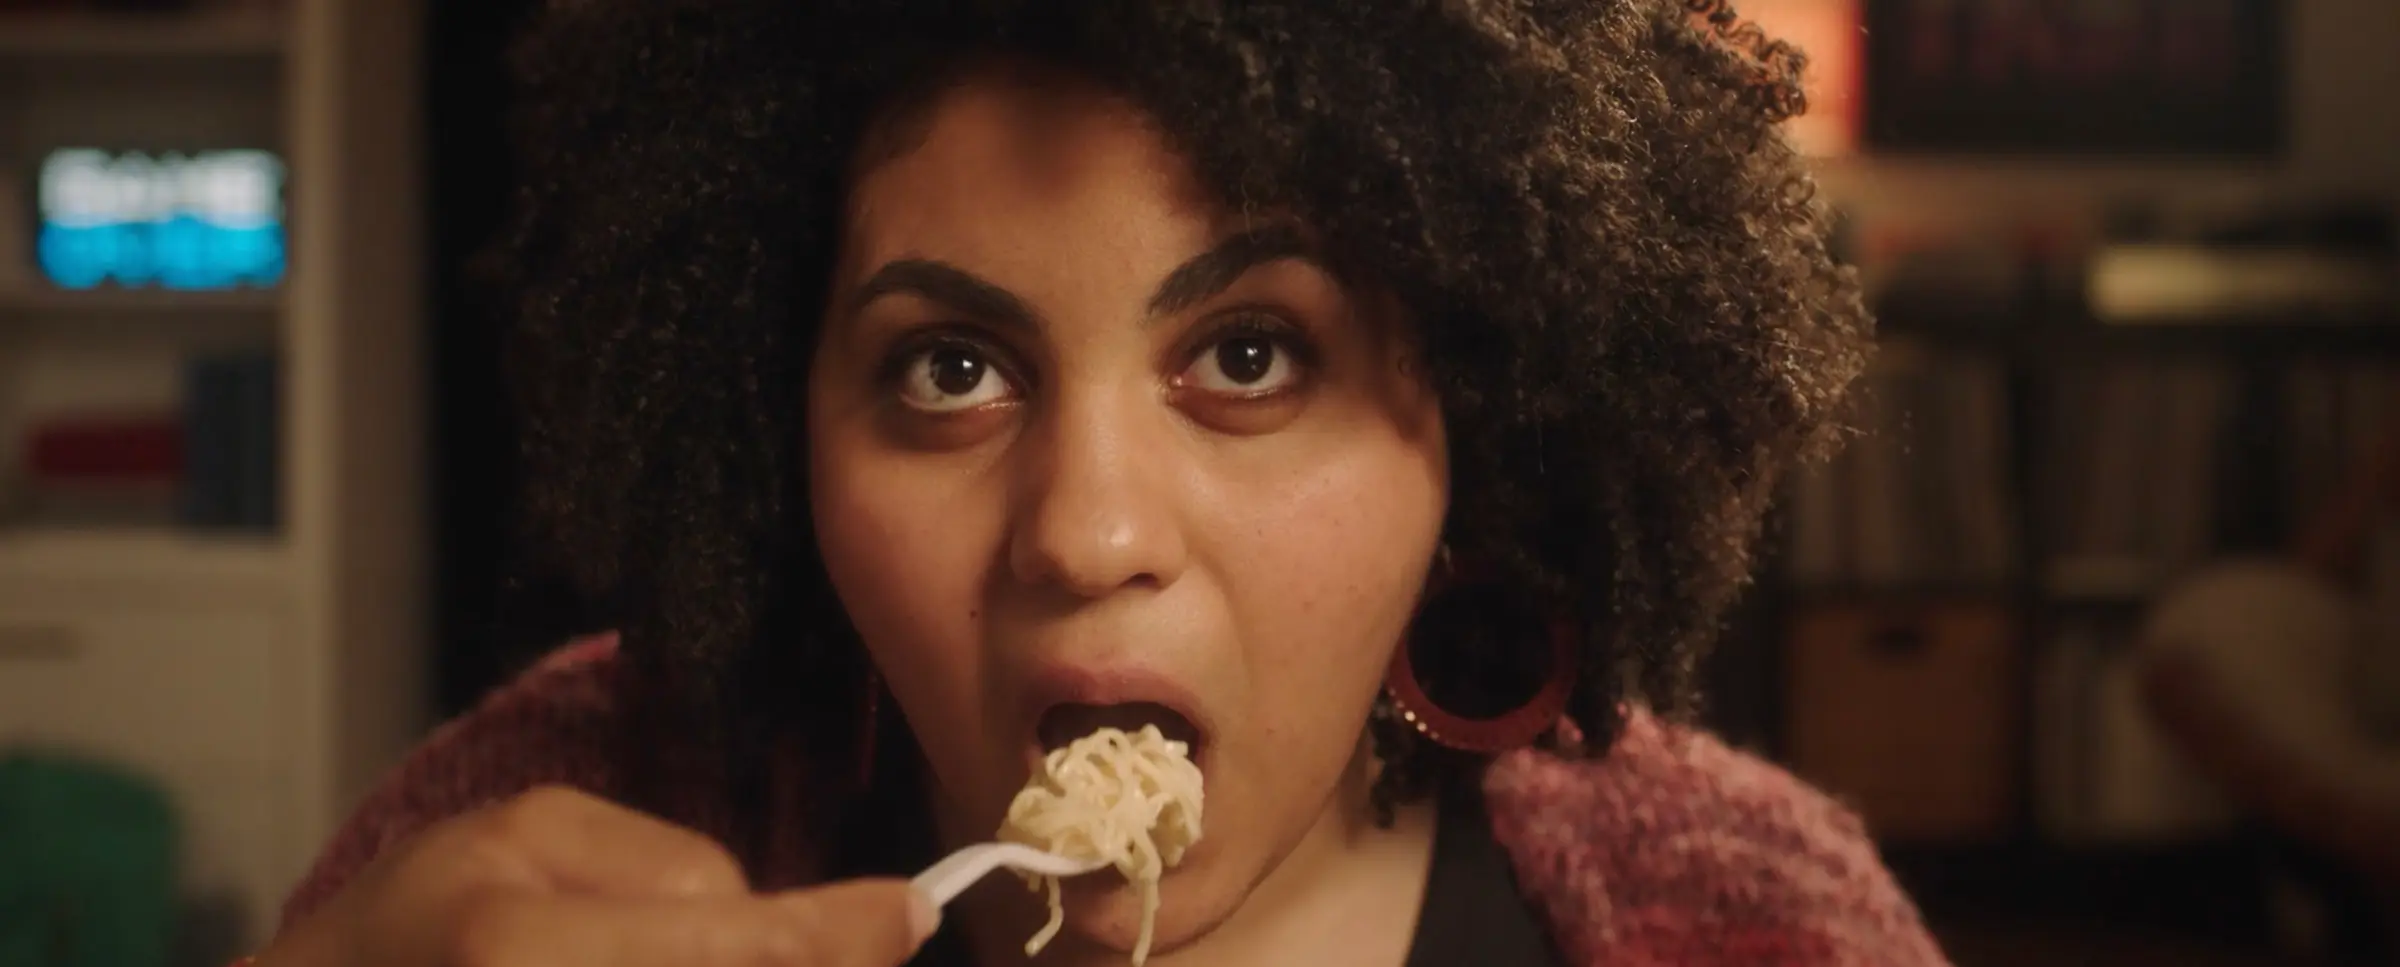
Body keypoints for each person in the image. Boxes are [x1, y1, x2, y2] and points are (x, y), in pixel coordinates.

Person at [252, 1, 1946, 965]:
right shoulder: (558, 828)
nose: (1087, 530)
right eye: (952, 369)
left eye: (1253, 354)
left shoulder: (1744, 922)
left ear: (1476, 427)